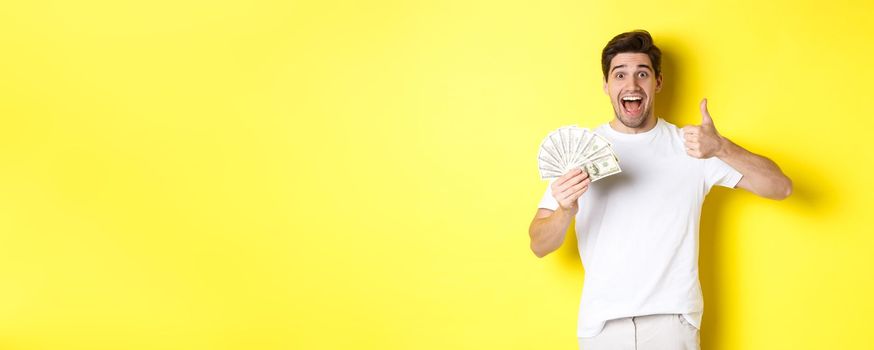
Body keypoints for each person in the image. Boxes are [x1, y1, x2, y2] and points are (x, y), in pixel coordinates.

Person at [527, 30, 792, 350]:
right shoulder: (581, 151)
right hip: (602, 325)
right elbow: (539, 244)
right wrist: (565, 210)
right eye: (620, 74)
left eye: (642, 73)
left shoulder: (694, 148)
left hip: (673, 321)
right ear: (606, 86)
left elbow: (780, 187)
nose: (632, 84)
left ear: (658, 82)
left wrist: (722, 147)